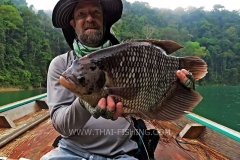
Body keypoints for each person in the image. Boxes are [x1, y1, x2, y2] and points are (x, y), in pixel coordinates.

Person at [41, 0, 194, 159]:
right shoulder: (61, 65)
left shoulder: (130, 57)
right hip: (71, 152)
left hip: (122, 153)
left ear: (104, 19)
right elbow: (61, 126)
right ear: (73, 23)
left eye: (95, 12)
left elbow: (153, 107)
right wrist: (83, 104)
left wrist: (180, 88)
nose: (89, 18)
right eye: (81, 14)